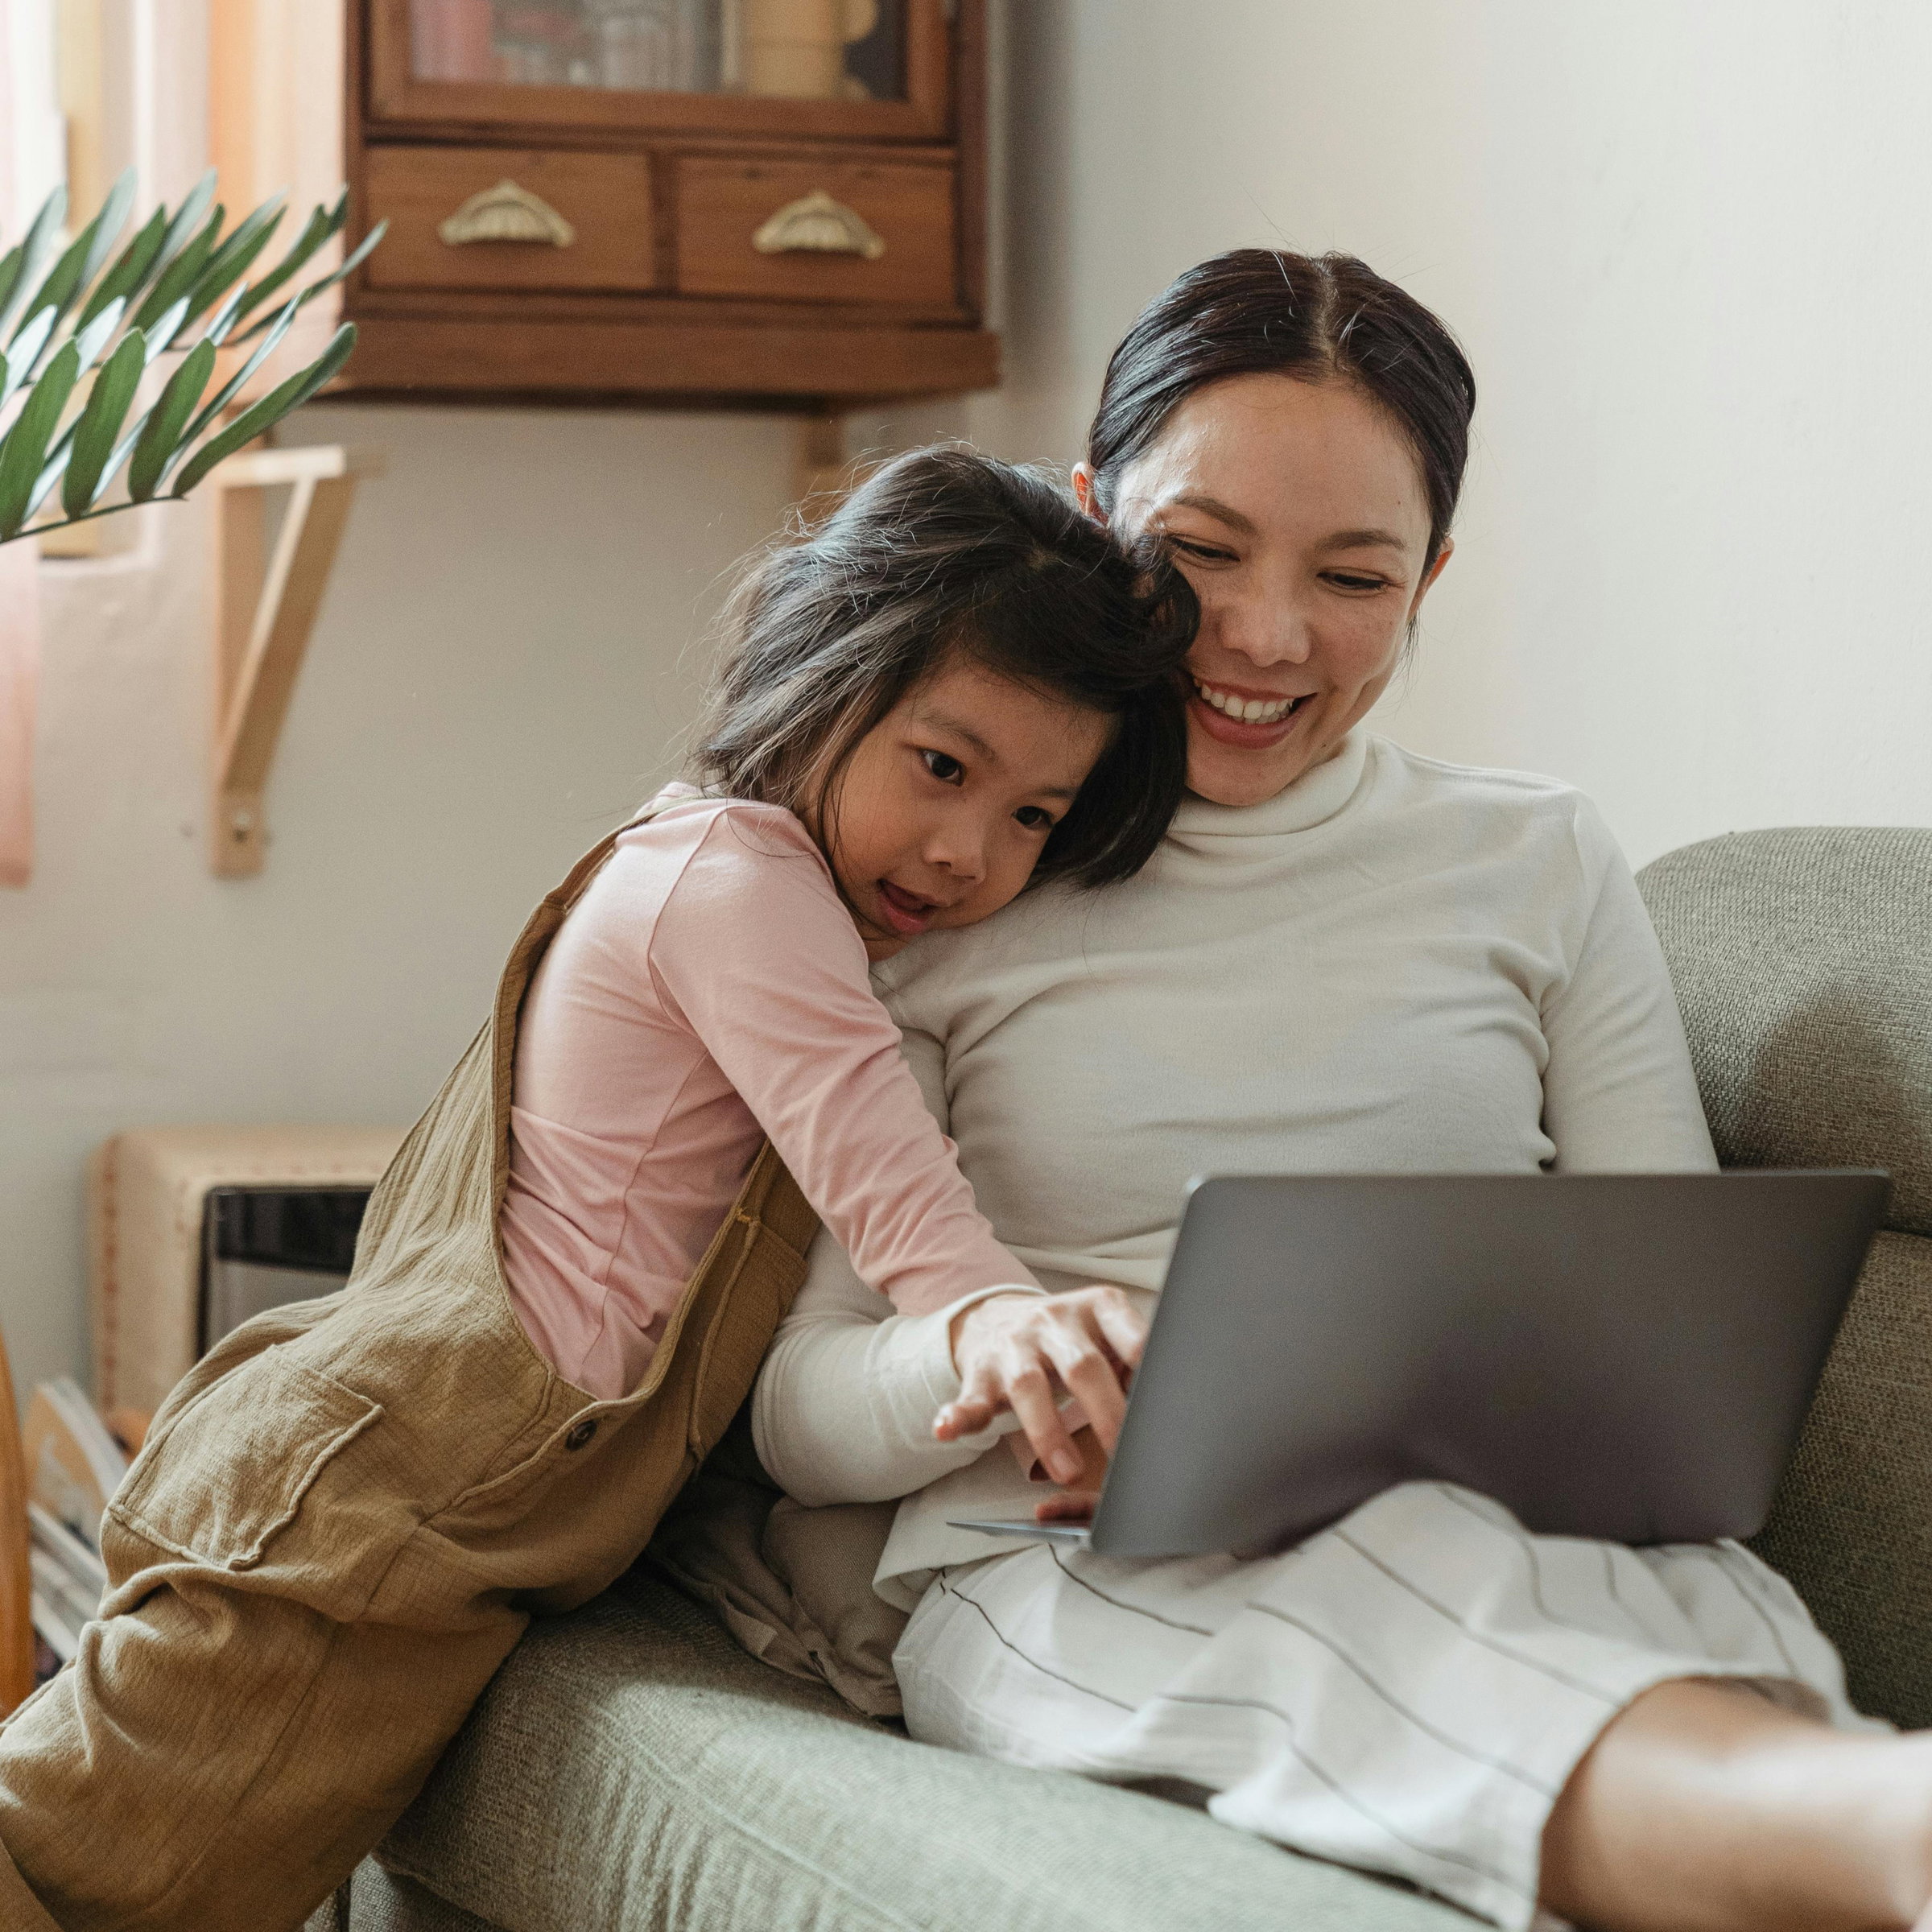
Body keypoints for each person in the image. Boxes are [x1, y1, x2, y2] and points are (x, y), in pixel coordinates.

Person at [752, 252, 1932, 1932]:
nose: (1265, 635)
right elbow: (796, 1412)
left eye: (1355, 575)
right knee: (1405, 1607)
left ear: (1431, 577)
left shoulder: (1537, 856)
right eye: (1200, 554)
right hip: (1079, 1566)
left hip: (1525, 1522)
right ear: (1093, 519)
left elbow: (1675, 1343)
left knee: (1656, 1620)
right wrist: (989, 1354)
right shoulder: (963, 879)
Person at [0, 450, 1195, 1932]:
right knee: (95, 1877)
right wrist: (1009, 1326)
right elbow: (891, 1185)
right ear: (819, 676)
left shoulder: (713, 858)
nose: (967, 852)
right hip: (392, 1496)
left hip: (433, 1497)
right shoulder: (742, 887)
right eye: (942, 768)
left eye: (1034, 817)